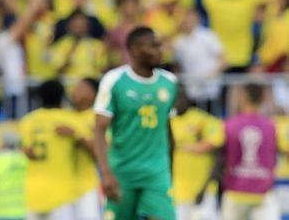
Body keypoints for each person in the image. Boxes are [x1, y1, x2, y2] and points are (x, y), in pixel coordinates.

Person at [94, 26, 178, 220]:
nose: (160, 51)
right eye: (154, 46)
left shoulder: (169, 82)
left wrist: (169, 172)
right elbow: (99, 131)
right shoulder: (114, 80)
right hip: (123, 173)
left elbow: (168, 130)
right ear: (134, 50)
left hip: (156, 174)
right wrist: (106, 174)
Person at [19, 79, 79, 220]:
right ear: (62, 96)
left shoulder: (28, 120)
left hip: (33, 193)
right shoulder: (71, 119)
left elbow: (27, 151)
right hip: (63, 192)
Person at [220, 84, 279, 220]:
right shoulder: (272, 126)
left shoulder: (229, 125)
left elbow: (218, 157)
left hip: (235, 192)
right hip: (263, 192)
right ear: (263, 99)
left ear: (243, 98)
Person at [170, 86, 223, 220]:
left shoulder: (202, 120)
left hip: (204, 191)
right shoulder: (167, 122)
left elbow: (218, 152)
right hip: (177, 192)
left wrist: (205, 188)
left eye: (181, 97)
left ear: (187, 98)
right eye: (175, 97)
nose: (178, 101)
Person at [58, 78, 101, 220]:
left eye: (81, 88)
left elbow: (100, 154)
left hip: (86, 188)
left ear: (93, 94)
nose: (75, 91)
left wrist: (77, 136)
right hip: (61, 188)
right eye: (75, 87)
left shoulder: (97, 119)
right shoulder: (62, 116)